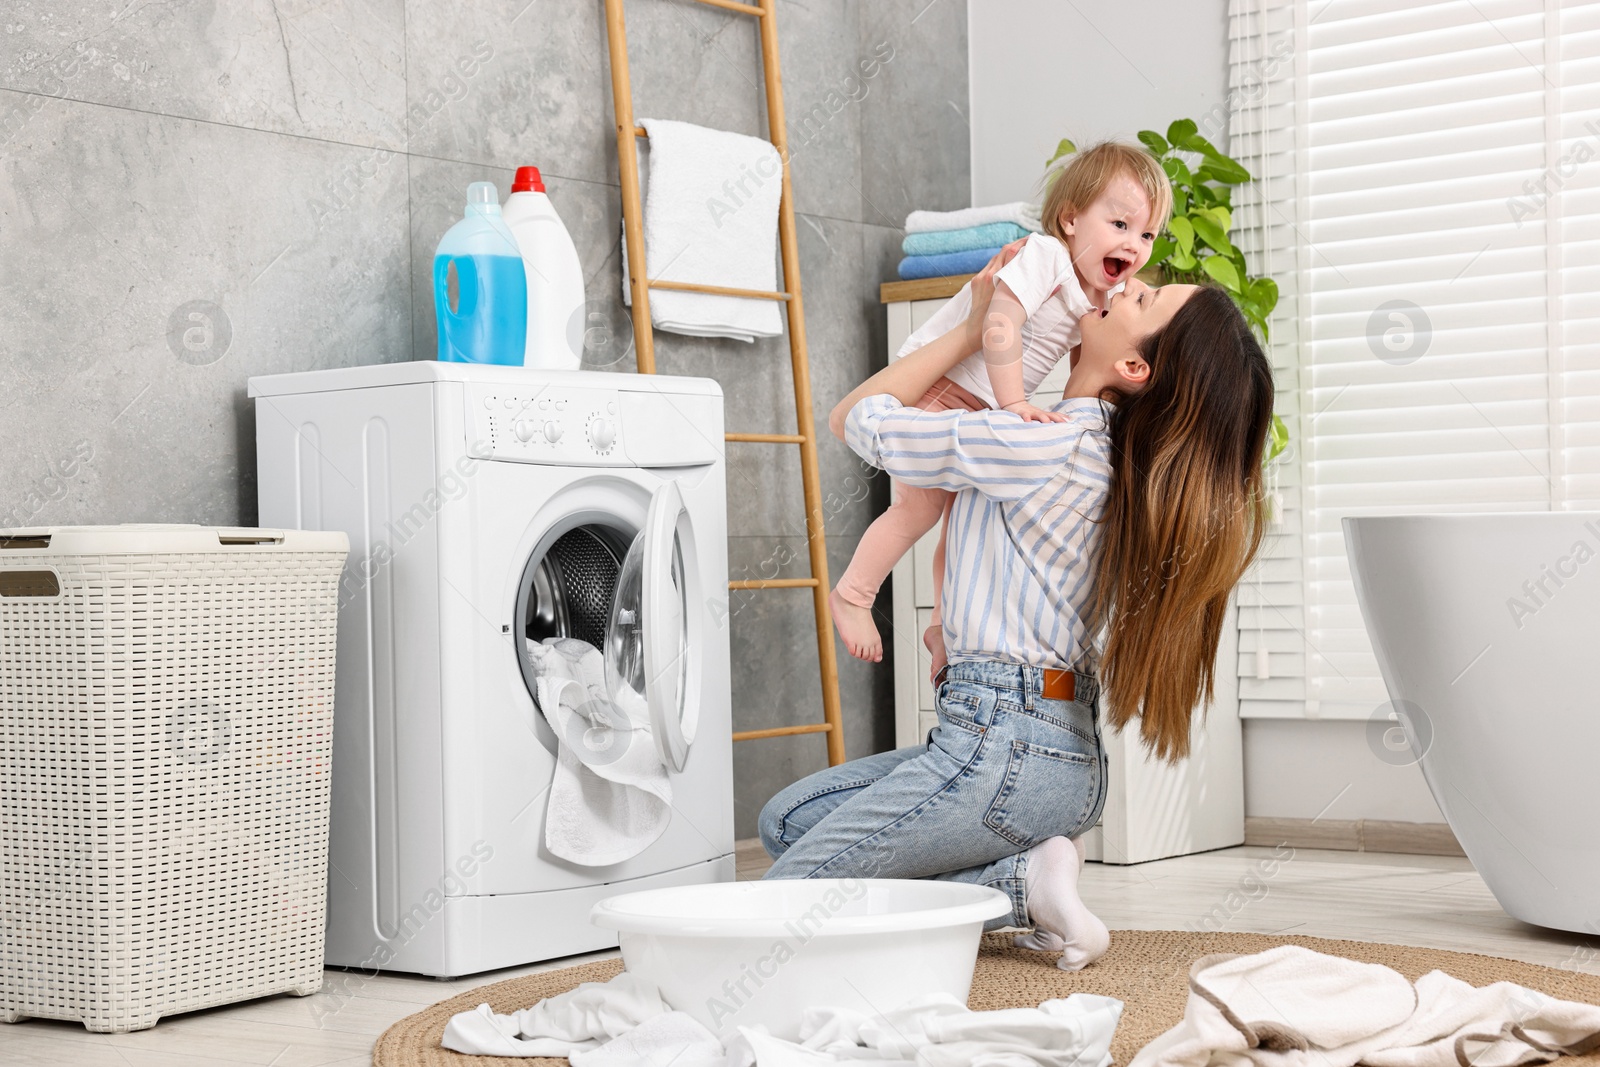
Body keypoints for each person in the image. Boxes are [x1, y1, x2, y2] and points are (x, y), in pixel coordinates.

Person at [759, 250, 1275, 971]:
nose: (1127, 285)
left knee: (780, 902)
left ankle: (1022, 881)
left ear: (1135, 368)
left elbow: (858, 417)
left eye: (1145, 300)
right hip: (1062, 753)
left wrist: (971, 331)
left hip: (1002, 746)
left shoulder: (1037, 440)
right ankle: (1021, 881)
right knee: (785, 821)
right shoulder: (1106, 458)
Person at [828, 142, 1174, 669]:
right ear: (1070, 219)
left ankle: (943, 628)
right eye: (1121, 224)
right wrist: (1015, 402)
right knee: (918, 509)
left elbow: (1089, 365)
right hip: (945, 387)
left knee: (959, 527)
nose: (1135, 244)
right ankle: (854, 594)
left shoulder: (1101, 294)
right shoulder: (1047, 256)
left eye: (1147, 234)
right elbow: (1000, 323)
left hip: (982, 404)